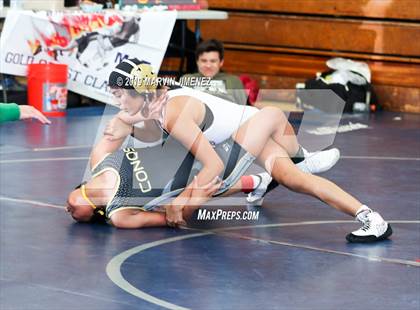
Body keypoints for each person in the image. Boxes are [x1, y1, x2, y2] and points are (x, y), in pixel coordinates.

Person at [66, 58, 392, 242]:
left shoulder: (167, 111)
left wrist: (185, 199)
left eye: (121, 94)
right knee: (275, 133)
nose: (117, 102)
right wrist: (185, 203)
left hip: (237, 136)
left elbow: (205, 163)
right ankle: (296, 162)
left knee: (286, 155)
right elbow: (206, 168)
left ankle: (361, 210)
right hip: (229, 144)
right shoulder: (118, 209)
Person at [181, 39, 248, 106]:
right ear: (197, 62)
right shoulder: (187, 79)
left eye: (213, 61)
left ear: (221, 62)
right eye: (204, 61)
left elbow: (244, 110)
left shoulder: (233, 81)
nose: (208, 65)